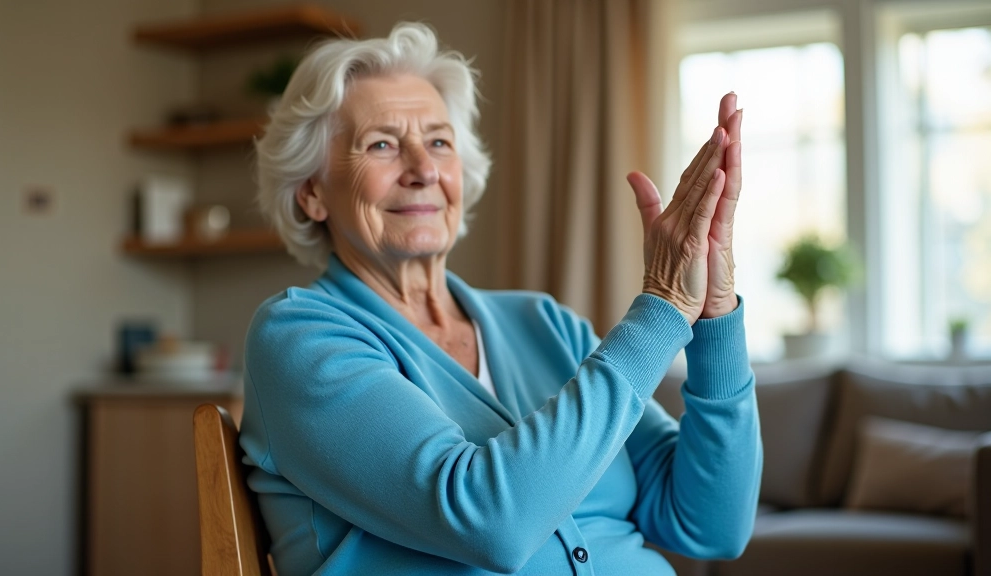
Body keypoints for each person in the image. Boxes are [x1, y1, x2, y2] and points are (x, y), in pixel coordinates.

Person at [240, 22, 761, 576]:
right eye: (382, 144)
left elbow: (712, 526)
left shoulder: (543, 324)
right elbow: (491, 520)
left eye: (439, 142)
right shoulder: (298, 338)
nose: (424, 170)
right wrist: (662, 308)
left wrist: (713, 315)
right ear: (312, 192)